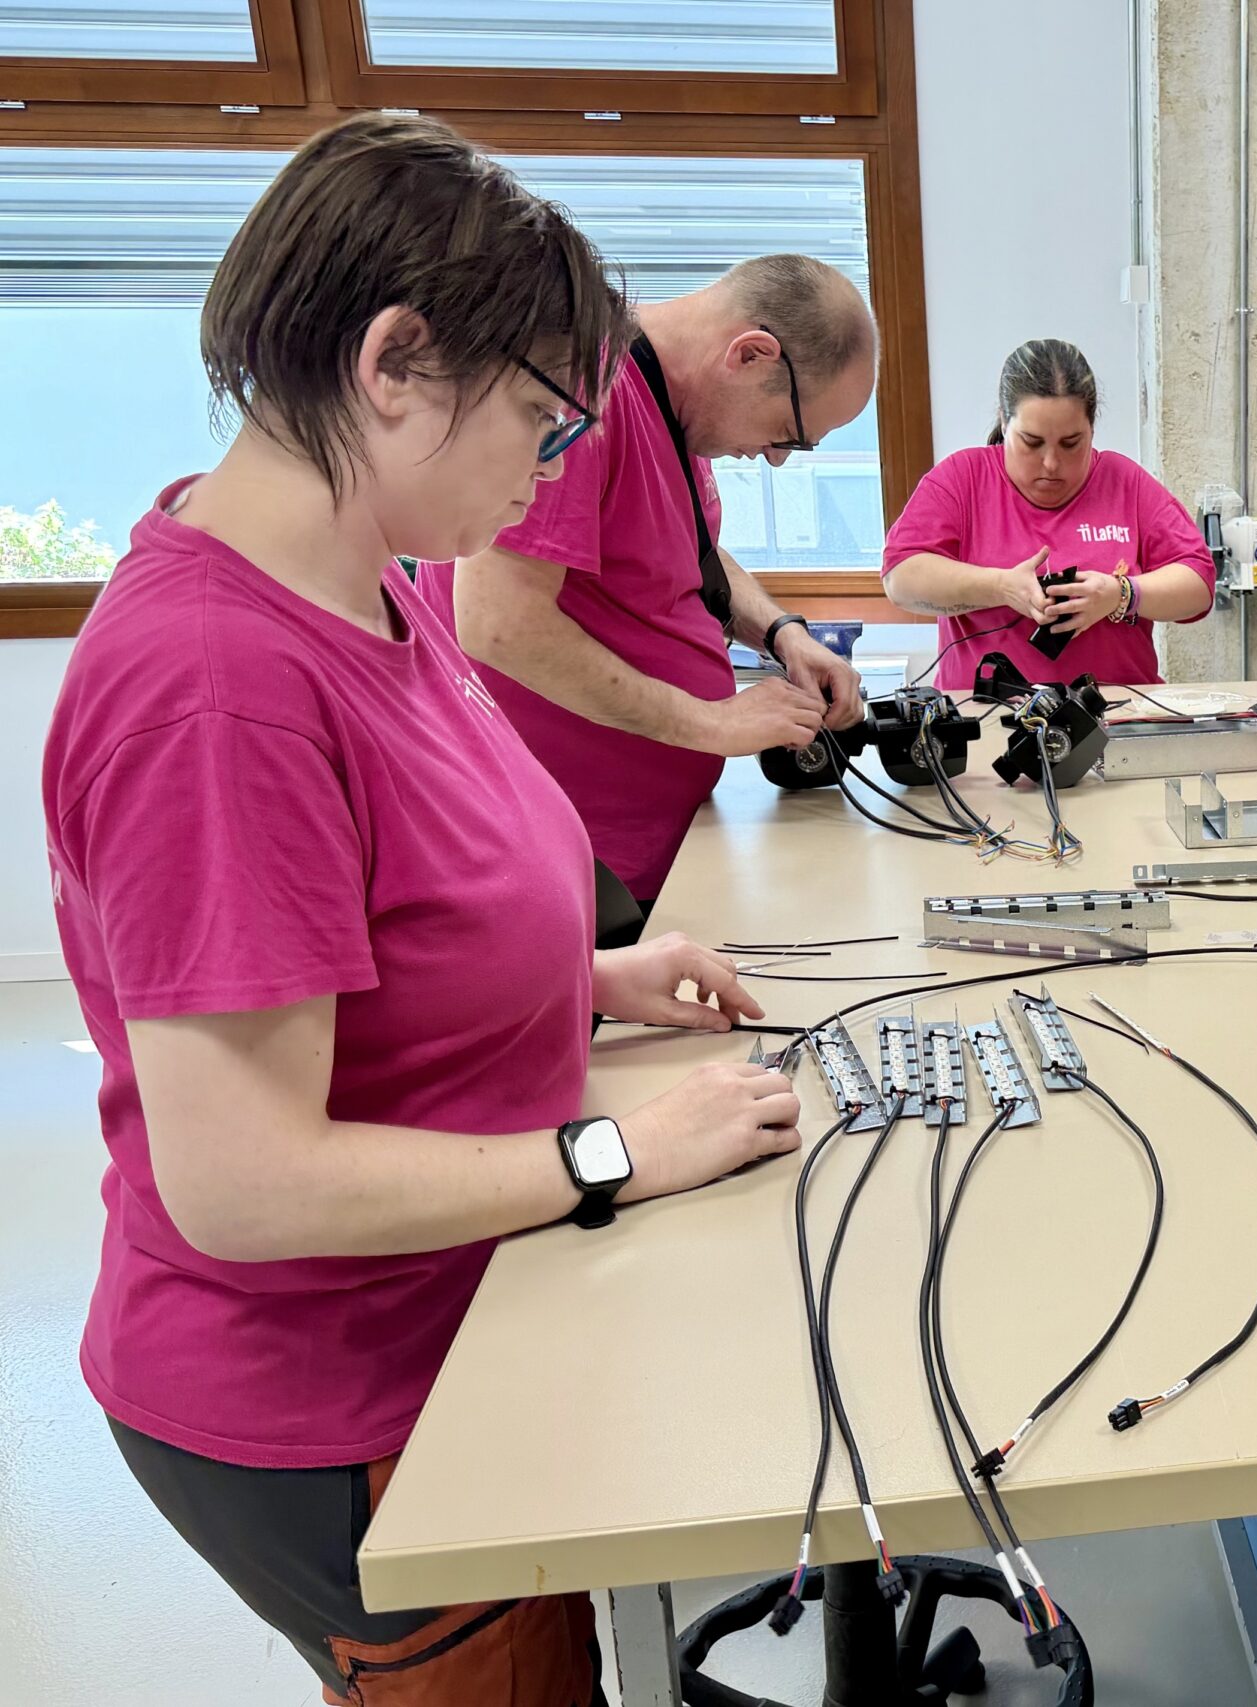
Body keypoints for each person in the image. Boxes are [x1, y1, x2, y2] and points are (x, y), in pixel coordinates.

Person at [41, 114, 805, 1706]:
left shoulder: (370, 572)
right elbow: (243, 1180)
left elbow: (394, 914)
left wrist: (586, 978)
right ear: (395, 363)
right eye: (538, 416)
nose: (554, 464)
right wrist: (615, 1151)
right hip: (332, 1399)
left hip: (466, 1308)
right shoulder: (214, 687)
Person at [421, 253, 878, 912]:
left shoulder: (672, 406)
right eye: (788, 434)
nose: (776, 459)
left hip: (649, 850)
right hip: (566, 868)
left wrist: (784, 635)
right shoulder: (583, 393)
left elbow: (685, 553)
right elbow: (498, 623)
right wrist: (711, 723)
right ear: (751, 355)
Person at [881, 339, 1213, 689]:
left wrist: (1121, 594)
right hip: (986, 714)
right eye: (1032, 442)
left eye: (1071, 443)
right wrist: (1001, 588)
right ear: (1004, 422)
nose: (1052, 463)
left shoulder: (1125, 483)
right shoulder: (961, 480)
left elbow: (1199, 583)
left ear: (1092, 429)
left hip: (1118, 711)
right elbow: (900, 579)